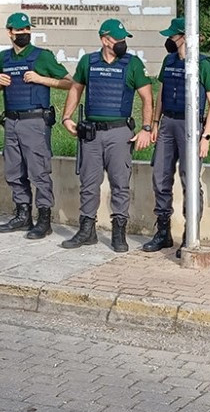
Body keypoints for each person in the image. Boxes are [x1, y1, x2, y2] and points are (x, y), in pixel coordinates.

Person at [60, 19, 153, 253]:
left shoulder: (132, 64)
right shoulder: (88, 62)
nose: (122, 44)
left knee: (120, 184)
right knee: (88, 184)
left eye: (124, 40)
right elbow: (75, 89)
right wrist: (67, 117)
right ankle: (87, 230)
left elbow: (147, 98)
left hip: (120, 133)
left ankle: (118, 232)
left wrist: (147, 128)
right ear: (104, 40)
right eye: (118, 40)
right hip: (92, 133)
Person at [142, 17, 210, 257]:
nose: (169, 40)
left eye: (172, 36)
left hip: (191, 124)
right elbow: (162, 93)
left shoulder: (203, 64)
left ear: (184, 37)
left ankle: (190, 232)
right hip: (168, 122)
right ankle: (163, 232)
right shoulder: (169, 60)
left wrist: (205, 136)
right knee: (160, 176)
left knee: (190, 178)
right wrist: (155, 123)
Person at [0, 12, 73, 239]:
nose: (24, 34)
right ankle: (22, 214)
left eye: (27, 30)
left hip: (35, 121)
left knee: (39, 171)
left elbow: (70, 82)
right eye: (19, 31)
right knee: (14, 170)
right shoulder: (4, 57)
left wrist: (40, 79)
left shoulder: (42, 56)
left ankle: (44, 220)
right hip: (11, 120)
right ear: (10, 33)